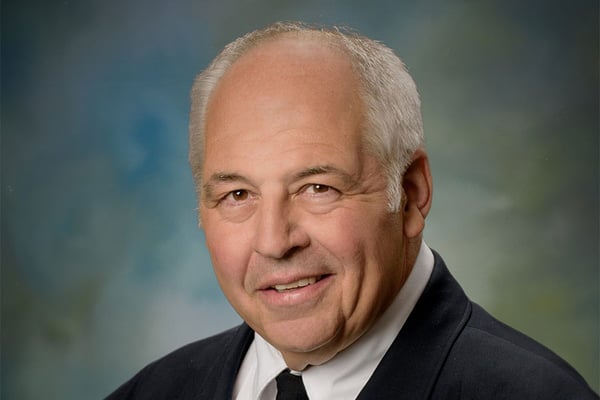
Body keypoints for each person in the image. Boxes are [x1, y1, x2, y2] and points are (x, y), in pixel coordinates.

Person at [106, 22, 598, 399]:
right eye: (237, 195)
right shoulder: (152, 391)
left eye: (317, 187)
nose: (275, 242)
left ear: (410, 192)